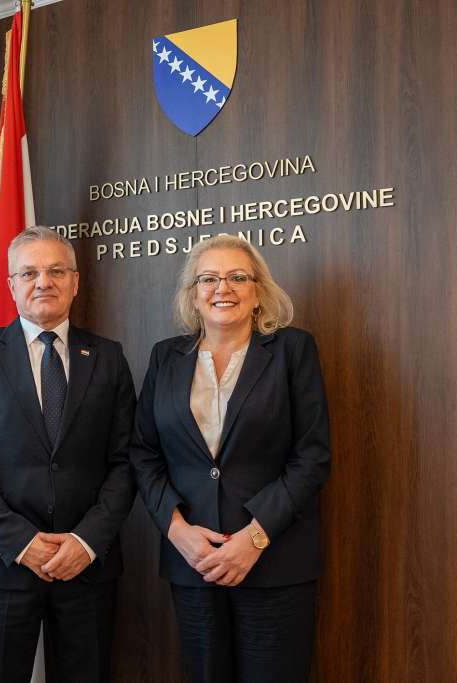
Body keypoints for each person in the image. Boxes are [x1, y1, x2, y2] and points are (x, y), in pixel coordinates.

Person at [130, 234, 331, 683]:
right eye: (209, 279)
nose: (223, 288)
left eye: (238, 277)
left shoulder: (293, 350)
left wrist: (255, 538)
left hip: (275, 560)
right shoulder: (166, 357)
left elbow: (312, 456)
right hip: (194, 561)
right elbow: (143, 453)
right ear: (193, 295)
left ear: (258, 292)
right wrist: (177, 530)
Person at [0, 226, 136, 683]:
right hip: (0, 565)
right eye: (29, 273)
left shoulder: (108, 357)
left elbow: (126, 461)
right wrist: (22, 543)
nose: (43, 282)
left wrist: (86, 541)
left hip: (86, 568)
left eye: (56, 271)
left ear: (75, 281)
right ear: (11, 285)